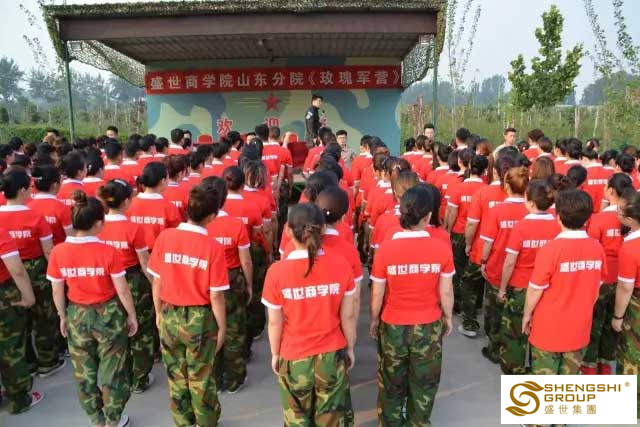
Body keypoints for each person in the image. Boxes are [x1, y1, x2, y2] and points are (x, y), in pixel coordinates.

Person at [47, 191, 137, 427]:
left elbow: (57, 290)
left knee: (84, 372)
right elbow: (122, 289)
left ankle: (96, 419)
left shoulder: (58, 252)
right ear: (98, 223)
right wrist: (131, 315)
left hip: (77, 314)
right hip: (108, 314)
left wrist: (62, 316)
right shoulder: (108, 252)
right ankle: (113, 419)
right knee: (113, 369)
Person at [262, 203, 357, 426]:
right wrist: (350, 348)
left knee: (297, 419)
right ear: (322, 229)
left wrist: (275, 353)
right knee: (331, 418)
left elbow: (274, 322)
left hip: (294, 356)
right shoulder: (341, 265)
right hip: (331, 354)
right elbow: (348, 316)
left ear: (288, 231)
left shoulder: (276, 272)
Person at [370, 185, 454, 427]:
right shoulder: (441, 249)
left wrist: (375, 320)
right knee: (424, 383)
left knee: (391, 382)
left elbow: (378, 291)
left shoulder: (386, 249)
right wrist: (448, 317)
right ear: (428, 216)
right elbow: (446, 290)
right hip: (428, 326)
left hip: (393, 325)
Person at [148, 185, 228, 427]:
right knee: (201, 375)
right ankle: (206, 421)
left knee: (175, 373)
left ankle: (183, 421)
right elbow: (216, 295)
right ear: (212, 216)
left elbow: (156, 281)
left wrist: (158, 312)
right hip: (199, 319)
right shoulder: (212, 247)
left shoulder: (166, 237)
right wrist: (222, 327)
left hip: (169, 312)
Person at [523, 190, 606, 375]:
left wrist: (527, 315)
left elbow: (535, 290)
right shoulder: (597, 249)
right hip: (579, 328)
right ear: (588, 219)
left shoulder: (550, 250)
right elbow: (596, 289)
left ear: (558, 217)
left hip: (548, 329)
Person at [0, 167, 66, 377]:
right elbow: (48, 250)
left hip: (8, 273)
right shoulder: (35, 217)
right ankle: (47, 360)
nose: (31, 190)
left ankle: (27, 362)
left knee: (18, 322)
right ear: (21, 190)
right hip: (36, 271)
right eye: (29, 187)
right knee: (44, 317)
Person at [98, 179, 156, 393]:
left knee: (114, 331)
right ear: (125, 202)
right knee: (140, 330)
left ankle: (118, 376)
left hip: (106, 283)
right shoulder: (133, 228)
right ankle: (139, 378)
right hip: (133, 284)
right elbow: (144, 262)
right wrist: (156, 286)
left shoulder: (97, 226)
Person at [498, 180, 560, 375]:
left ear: (531, 202)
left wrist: (502, 288)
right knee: (540, 330)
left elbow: (509, 262)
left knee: (515, 331)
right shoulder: (557, 225)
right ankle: (536, 367)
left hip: (521, 287)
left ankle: (514, 369)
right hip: (547, 288)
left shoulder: (521, 227)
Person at [202, 176, 253, 394]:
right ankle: (233, 379)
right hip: (231, 280)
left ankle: (212, 378)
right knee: (234, 330)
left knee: (210, 328)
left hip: (205, 280)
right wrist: (249, 285)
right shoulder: (235, 225)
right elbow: (246, 261)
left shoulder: (200, 227)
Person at [582, 173, 631, 375]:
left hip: (602, 279)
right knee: (613, 323)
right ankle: (606, 363)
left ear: (610, 191)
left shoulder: (599, 219)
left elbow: (592, 251)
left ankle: (589, 365)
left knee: (595, 322)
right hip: (624, 277)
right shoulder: (631, 219)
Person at [479, 166, 529, 362]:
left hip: (497, 269)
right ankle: (513, 352)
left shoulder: (497, 211)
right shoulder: (531, 211)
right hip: (524, 276)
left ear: (506, 186)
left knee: (495, 313)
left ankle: (494, 349)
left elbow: (487, 243)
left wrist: (483, 261)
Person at [0, 225, 42, 414]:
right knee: (11, 348)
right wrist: (28, 297)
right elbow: (17, 270)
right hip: (3, 295)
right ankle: (18, 400)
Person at [445, 154, 488, 307]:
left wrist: (448, 231)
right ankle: (476, 302)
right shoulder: (486, 190)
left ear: (469, 167)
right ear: (485, 171)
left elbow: (452, 213)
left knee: (458, 267)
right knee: (477, 269)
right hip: (480, 235)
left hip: (459, 232)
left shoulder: (458, 188)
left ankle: (458, 302)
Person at [614, 188, 640, 418]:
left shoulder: (630, 248)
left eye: (620, 212)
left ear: (630, 220)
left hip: (636, 306)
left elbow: (625, 288)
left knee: (632, 354)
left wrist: (618, 317)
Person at [127, 162, 181, 250]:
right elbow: (175, 236)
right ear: (163, 180)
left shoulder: (130, 204)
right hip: (159, 253)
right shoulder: (169, 207)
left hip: (133, 253)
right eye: (168, 177)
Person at [29, 165, 73, 246]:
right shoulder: (62, 208)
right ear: (55, 184)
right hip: (58, 251)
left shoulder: (28, 207)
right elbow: (71, 238)